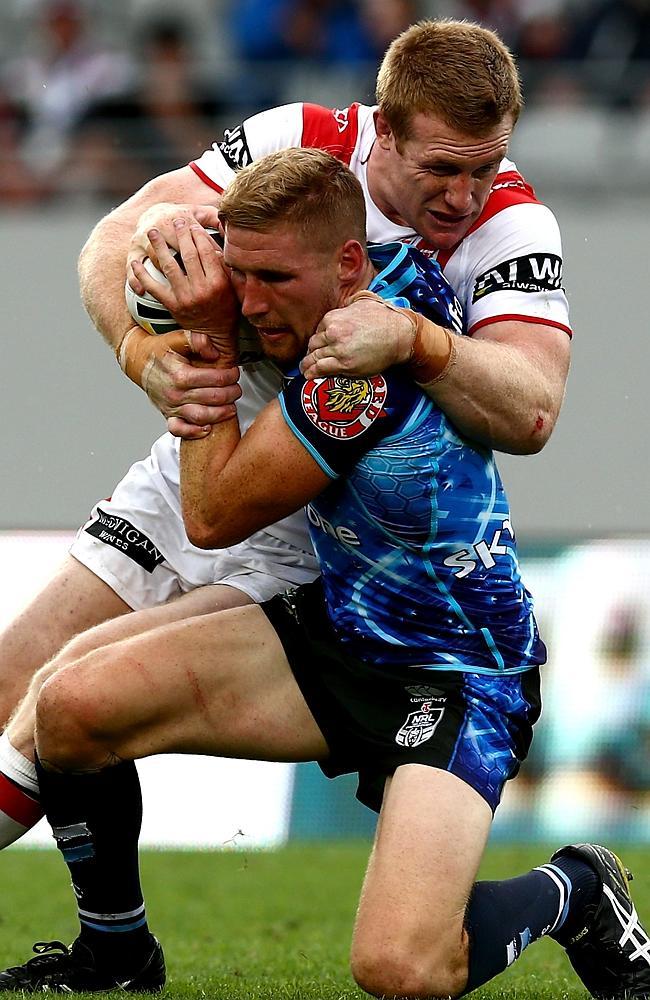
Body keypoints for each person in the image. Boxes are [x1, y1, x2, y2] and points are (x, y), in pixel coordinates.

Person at [0, 150, 643, 1000]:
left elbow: (215, 517)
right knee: (70, 705)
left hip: (455, 675)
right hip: (333, 630)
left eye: (272, 278)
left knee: (403, 968)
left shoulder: (355, 363)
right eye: (239, 275)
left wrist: (197, 333)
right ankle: (115, 957)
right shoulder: (370, 277)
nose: (251, 302)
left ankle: (576, 891)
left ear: (347, 265)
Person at [0, 19, 571, 851]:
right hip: (207, 437)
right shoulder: (298, 140)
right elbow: (118, 236)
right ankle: (115, 954)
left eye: (487, 166)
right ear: (383, 128)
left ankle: (116, 945)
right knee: (18, 676)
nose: (466, 196)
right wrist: (141, 350)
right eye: (442, 168)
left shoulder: (514, 229)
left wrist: (424, 342)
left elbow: (533, 409)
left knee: (61, 709)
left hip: (319, 512)